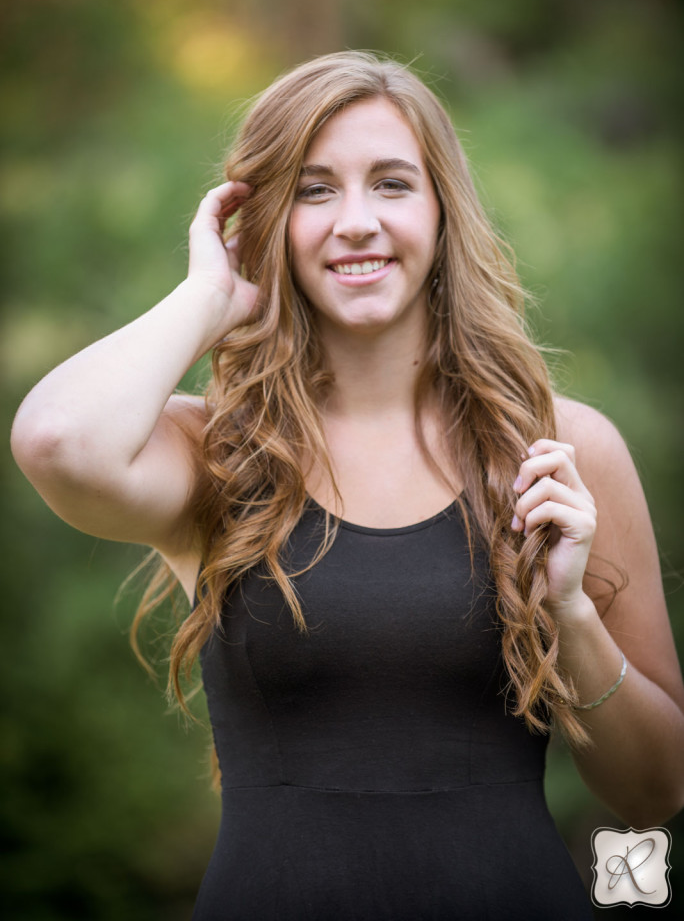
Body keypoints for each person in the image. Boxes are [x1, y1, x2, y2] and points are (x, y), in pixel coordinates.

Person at [10, 51, 684, 920]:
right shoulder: (214, 453)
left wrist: (573, 616)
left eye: (393, 184)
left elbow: (654, 794)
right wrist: (208, 295)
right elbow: (57, 440)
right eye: (314, 190)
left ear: (443, 212)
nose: (356, 221)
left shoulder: (559, 448)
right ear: (264, 220)